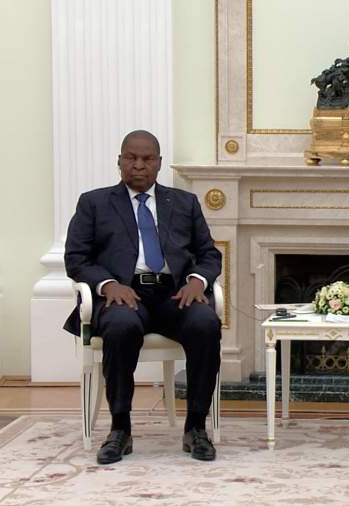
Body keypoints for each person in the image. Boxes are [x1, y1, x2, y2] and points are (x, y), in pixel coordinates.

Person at [63, 130, 222, 464]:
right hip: (124, 295)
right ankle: (120, 429)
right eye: (131, 158)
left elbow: (209, 254)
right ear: (119, 161)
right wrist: (108, 285)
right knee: (121, 326)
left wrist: (197, 281)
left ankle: (195, 428)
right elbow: (76, 259)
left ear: (159, 163)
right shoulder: (94, 203)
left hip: (174, 294)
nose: (138, 165)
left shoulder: (184, 203)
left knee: (206, 323)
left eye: (147, 159)